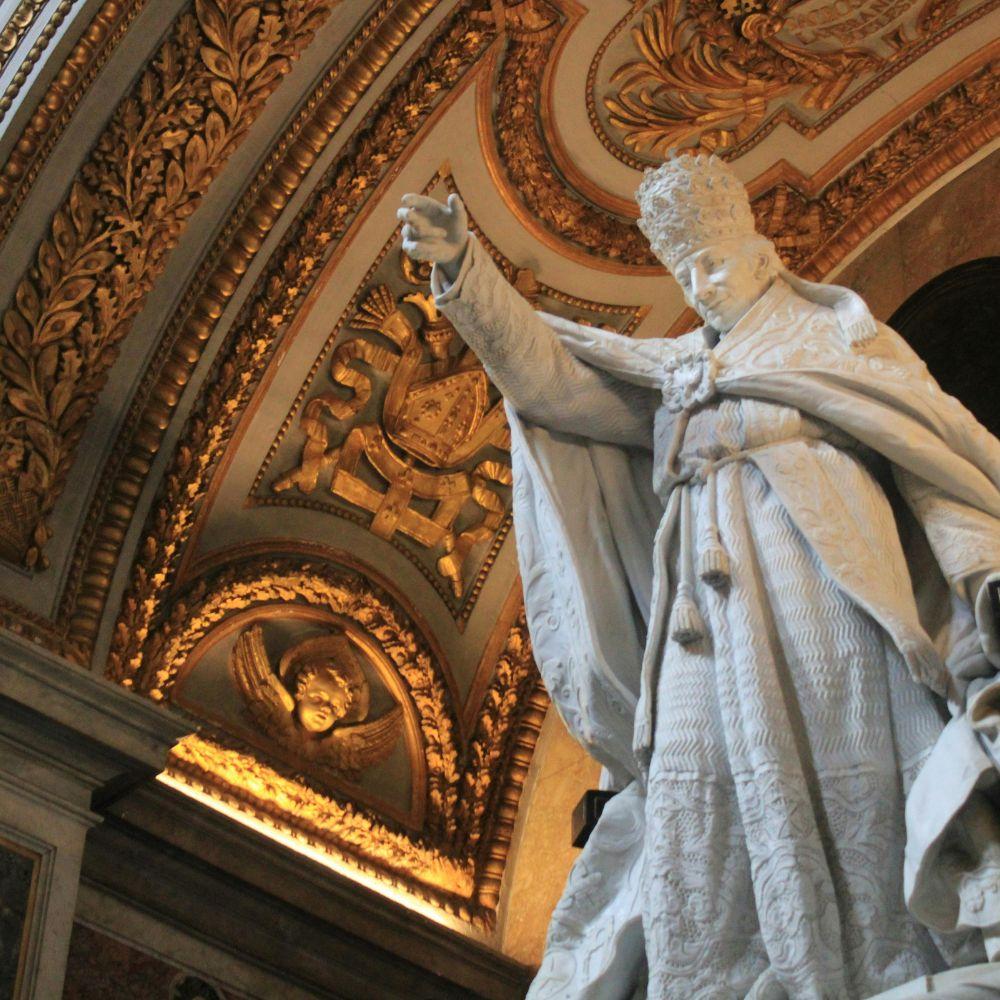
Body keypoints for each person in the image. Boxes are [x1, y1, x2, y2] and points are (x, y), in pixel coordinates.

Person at [398, 156, 1000, 999]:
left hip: (821, 589)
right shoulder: (678, 373)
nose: (701, 286)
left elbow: (931, 459)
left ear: (762, 255)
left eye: (714, 264)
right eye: (686, 274)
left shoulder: (841, 343)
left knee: (851, 768)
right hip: (702, 623)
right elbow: (555, 382)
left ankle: (877, 966)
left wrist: (983, 571)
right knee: (691, 789)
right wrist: (467, 273)